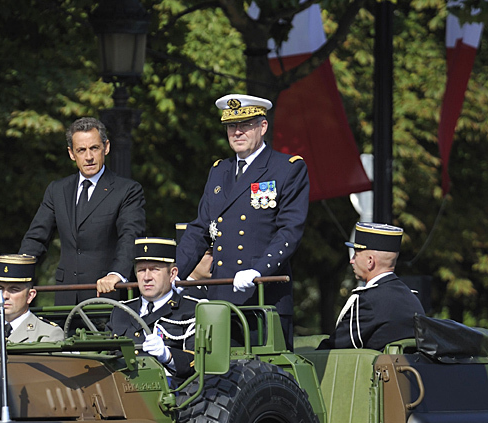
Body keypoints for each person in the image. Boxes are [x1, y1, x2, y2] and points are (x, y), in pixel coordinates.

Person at [175, 94, 308, 345]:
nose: (237, 132)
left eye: (245, 125)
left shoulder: (287, 168)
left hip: (263, 296)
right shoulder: (219, 171)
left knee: (263, 379)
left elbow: (289, 231)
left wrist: (259, 270)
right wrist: (174, 274)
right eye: (231, 126)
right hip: (221, 298)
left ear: (262, 126)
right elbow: (200, 229)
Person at [19, 117, 146, 305]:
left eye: (94, 148)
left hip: (108, 297)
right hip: (66, 297)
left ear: (106, 147)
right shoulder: (57, 190)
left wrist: (116, 274)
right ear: (71, 153)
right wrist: (15, 275)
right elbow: (36, 238)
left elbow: (131, 236)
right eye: (81, 150)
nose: (88, 157)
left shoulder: (127, 190)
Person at [107, 238, 203, 383]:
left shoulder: (192, 310)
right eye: (141, 270)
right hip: (119, 387)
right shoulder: (121, 311)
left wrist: (168, 356)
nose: (146, 277)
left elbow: (199, 361)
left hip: (171, 392)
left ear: (172, 274)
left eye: (154, 270)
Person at [318, 223, 425, 351]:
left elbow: (334, 349)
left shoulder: (367, 301)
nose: (352, 260)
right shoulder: (412, 298)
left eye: (356, 254)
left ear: (370, 261)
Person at [0, 254, 64, 343]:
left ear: (30, 296)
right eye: (0, 289)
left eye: (14, 289)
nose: (5, 296)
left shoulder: (48, 335)